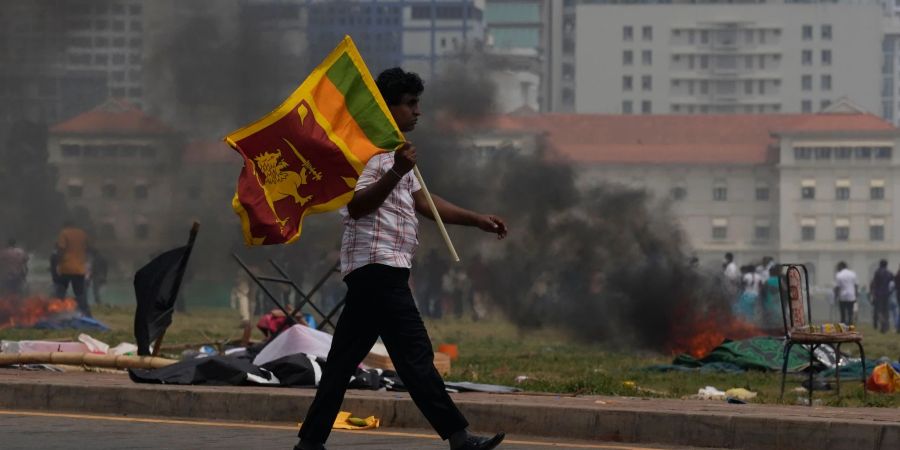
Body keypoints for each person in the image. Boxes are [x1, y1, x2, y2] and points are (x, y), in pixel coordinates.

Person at [295, 68, 507, 450]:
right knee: (415, 356)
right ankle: (459, 438)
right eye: (410, 104)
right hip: (379, 270)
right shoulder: (368, 151)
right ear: (386, 108)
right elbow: (357, 206)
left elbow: (422, 200)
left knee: (343, 363)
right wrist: (396, 170)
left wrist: (477, 220)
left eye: (417, 104)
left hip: (377, 273)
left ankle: (309, 443)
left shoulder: (396, 153)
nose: (417, 112)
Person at [55, 221, 91, 317]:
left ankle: (58, 313)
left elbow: (61, 249)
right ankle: (86, 314)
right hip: (79, 268)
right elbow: (87, 248)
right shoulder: (82, 233)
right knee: (80, 294)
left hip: (66, 267)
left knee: (60, 292)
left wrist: (58, 262)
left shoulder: (64, 233)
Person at [870, 259, 892, 333]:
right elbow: (891, 283)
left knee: (879, 310)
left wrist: (873, 293)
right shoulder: (889, 273)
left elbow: (875, 283)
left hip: (879, 294)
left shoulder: (877, 272)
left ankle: (883, 324)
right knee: (886, 311)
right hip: (886, 294)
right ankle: (886, 325)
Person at [834, 261, 858, 325]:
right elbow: (855, 285)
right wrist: (856, 295)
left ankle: (843, 325)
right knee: (850, 312)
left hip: (842, 296)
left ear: (841, 267)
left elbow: (837, 287)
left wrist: (836, 297)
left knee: (843, 313)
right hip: (851, 296)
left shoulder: (839, 274)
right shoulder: (853, 274)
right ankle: (850, 325)